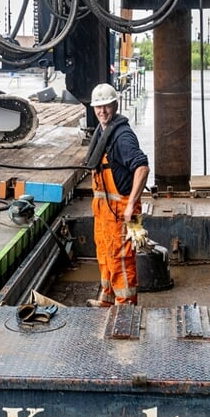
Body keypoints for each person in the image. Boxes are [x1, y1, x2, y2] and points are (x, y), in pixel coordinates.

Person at [82, 83, 150, 307]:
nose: (102, 111)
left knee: (121, 260)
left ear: (115, 105)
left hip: (121, 212)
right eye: (98, 107)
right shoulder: (103, 132)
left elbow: (142, 167)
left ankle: (125, 307)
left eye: (106, 106)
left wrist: (131, 206)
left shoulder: (122, 137)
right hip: (104, 213)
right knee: (104, 255)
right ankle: (108, 299)